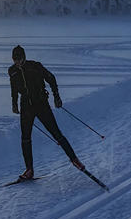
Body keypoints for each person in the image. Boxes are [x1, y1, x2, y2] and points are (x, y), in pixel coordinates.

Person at [8, 44, 86, 181]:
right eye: (15, 59)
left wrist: (57, 96)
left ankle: (75, 160)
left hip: (41, 104)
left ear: (24, 57)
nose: (17, 62)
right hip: (26, 106)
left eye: (19, 58)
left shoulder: (35, 66)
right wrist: (14, 104)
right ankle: (29, 170)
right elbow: (14, 89)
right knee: (25, 138)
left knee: (56, 133)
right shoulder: (12, 71)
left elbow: (51, 78)